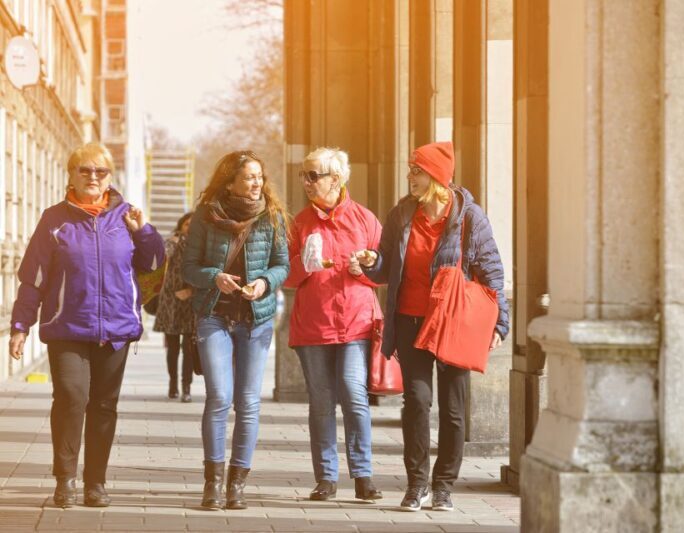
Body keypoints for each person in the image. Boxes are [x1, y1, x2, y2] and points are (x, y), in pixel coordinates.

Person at [8, 142, 165, 508]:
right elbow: (33, 277)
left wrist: (143, 231)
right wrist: (20, 325)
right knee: (70, 397)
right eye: (85, 170)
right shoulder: (54, 219)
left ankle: (96, 483)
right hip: (66, 327)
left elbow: (155, 261)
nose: (93, 177)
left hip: (115, 328)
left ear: (110, 176)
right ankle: (65, 479)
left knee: (104, 405)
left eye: (101, 171)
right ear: (72, 173)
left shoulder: (127, 216)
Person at [354, 141, 509, 512]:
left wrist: (499, 322)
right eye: (410, 169)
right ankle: (417, 483)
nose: (410, 176)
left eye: (416, 170)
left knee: (454, 408)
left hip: (452, 322)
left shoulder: (470, 217)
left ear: (436, 177)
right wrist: (370, 262)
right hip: (410, 321)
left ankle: (443, 486)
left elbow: (492, 272)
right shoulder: (401, 214)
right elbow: (385, 265)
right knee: (417, 401)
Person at [182, 150, 289, 510]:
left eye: (259, 176)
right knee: (219, 398)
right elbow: (188, 267)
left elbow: (282, 265)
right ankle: (212, 483)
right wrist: (215, 278)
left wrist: (264, 283)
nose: (256, 182)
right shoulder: (206, 215)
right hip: (215, 316)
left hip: (255, 319)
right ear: (230, 182)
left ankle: (237, 484)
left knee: (248, 402)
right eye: (248, 177)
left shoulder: (271, 216)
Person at [285, 147, 383, 502]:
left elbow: (384, 271)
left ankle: (363, 475)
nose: (307, 182)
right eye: (304, 175)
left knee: (354, 394)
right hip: (314, 325)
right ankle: (325, 477)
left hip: (356, 323)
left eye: (314, 176)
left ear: (336, 179)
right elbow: (286, 277)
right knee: (321, 401)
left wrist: (369, 266)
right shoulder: (298, 222)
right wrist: (303, 265)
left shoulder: (364, 219)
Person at [153, 212, 195, 402]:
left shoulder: (199, 245)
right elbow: (162, 256)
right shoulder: (173, 242)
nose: (190, 228)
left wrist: (191, 291)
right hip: (171, 301)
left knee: (189, 347)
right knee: (172, 347)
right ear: (180, 226)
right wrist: (173, 240)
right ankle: (173, 384)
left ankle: (187, 387)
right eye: (187, 224)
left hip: (191, 301)